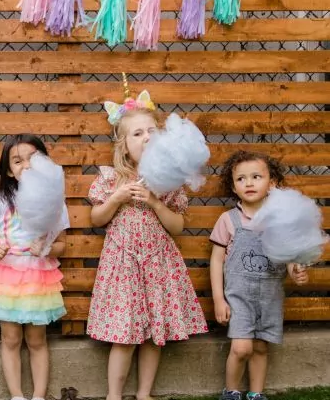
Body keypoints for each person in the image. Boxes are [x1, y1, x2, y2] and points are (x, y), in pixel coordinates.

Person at [87, 90, 208, 400]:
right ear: (125, 147)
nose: (146, 137)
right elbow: (96, 219)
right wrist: (115, 198)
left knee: (155, 334)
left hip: (157, 264)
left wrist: (155, 202)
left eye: (151, 131)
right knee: (124, 335)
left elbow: (177, 226)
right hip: (123, 265)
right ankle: (114, 395)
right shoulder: (112, 178)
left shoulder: (170, 181)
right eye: (137, 133)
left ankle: (144, 394)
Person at [0, 134, 69, 400]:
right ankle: (16, 395)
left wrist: (47, 248)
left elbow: (63, 244)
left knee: (37, 340)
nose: (25, 165)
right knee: (11, 339)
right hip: (6, 276)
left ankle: (38, 395)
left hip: (38, 276)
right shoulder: (2, 199)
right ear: (8, 170)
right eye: (17, 161)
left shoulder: (54, 200)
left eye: (32, 159)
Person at [210, 150, 309, 400]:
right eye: (241, 179)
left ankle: (256, 394)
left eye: (256, 176)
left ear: (272, 184)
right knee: (241, 347)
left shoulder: (280, 221)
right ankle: (231, 392)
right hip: (239, 298)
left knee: (261, 347)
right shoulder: (228, 219)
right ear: (233, 187)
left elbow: (287, 256)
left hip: (270, 298)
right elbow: (216, 260)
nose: (249, 183)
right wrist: (219, 300)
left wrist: (295, 270)